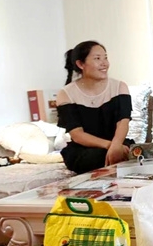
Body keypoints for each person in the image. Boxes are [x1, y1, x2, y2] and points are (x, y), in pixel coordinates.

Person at [56, 41, 134, 174]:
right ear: (81, 64)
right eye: (97, 58)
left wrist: (116, 144)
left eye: (105, 58)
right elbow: (77, 135)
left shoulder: (119, 87)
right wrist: (110, 146)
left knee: (136, 153)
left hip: (118, 141)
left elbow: (123, 122)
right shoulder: (66, 94)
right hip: (85, 149)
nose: (104, 63)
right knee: (96, 157)